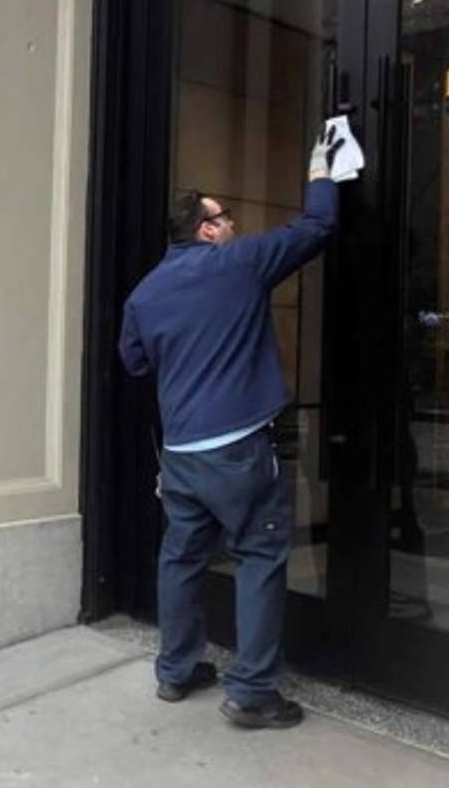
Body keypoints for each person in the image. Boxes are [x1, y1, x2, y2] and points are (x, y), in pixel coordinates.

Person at [118, 128, 344, 730]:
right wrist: (321, 171)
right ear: (207, 229)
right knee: (263, 555)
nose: (234, 226)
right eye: (225, 217)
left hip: (183, 454)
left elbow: (134, 364)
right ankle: (252, 692)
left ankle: (177, 670)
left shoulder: (143, 295)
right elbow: (315, 228)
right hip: (240, 446)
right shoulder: (237, 264)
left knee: (182, 557)